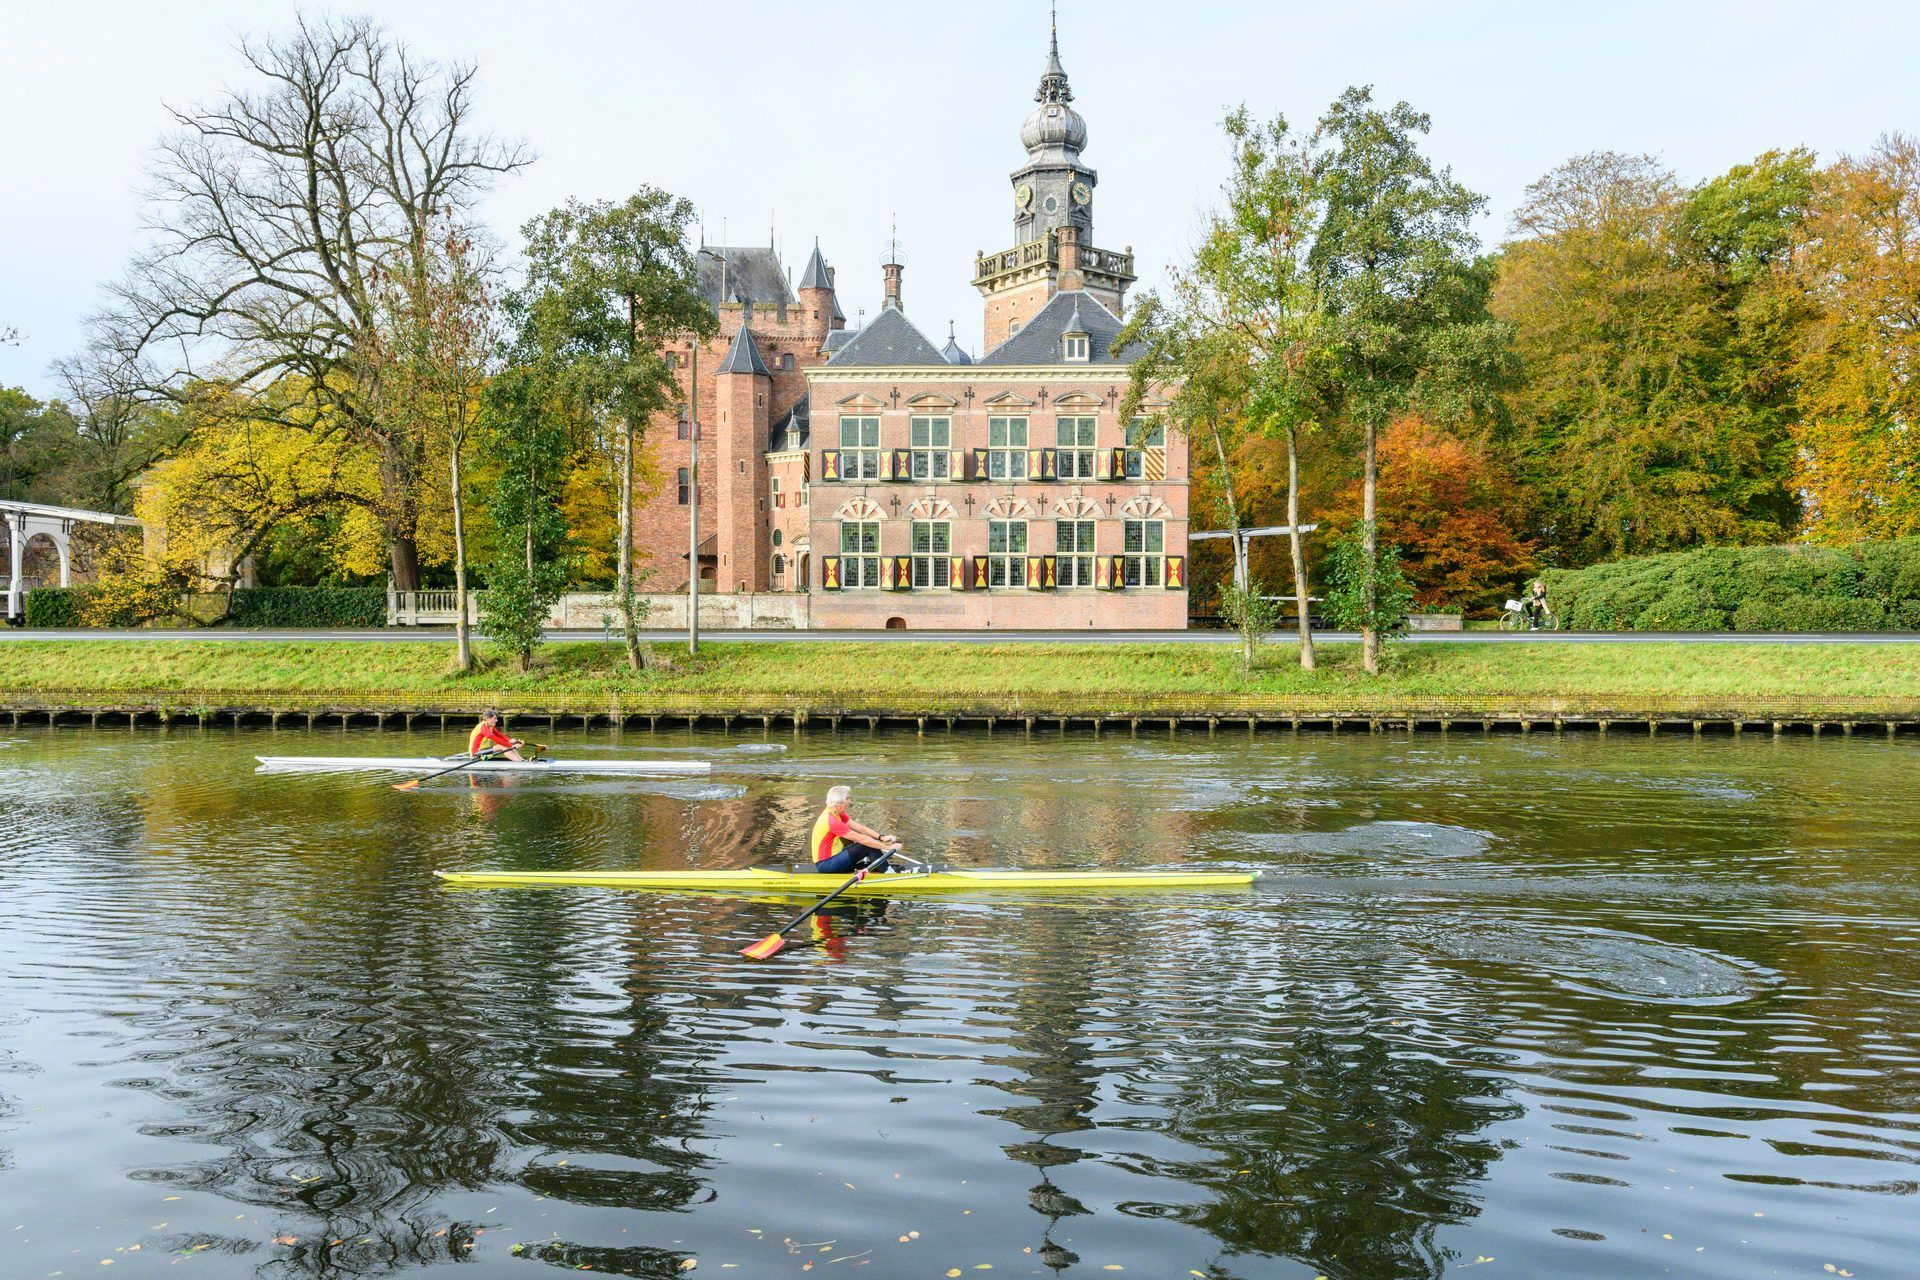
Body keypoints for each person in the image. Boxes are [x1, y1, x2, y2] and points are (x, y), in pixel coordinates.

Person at [808, 785, 900, 875]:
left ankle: (884, 870)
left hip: (835, 856)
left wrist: (881, 837)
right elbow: (861, 839)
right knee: (866, 845)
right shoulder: (831, 820)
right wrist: (888, 848)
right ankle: (889, 873)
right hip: (826, 865)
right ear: (838, 805)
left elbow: (860, 828)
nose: (850, 802)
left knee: (870, 848)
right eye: (847, 799)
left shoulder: (836, 812)